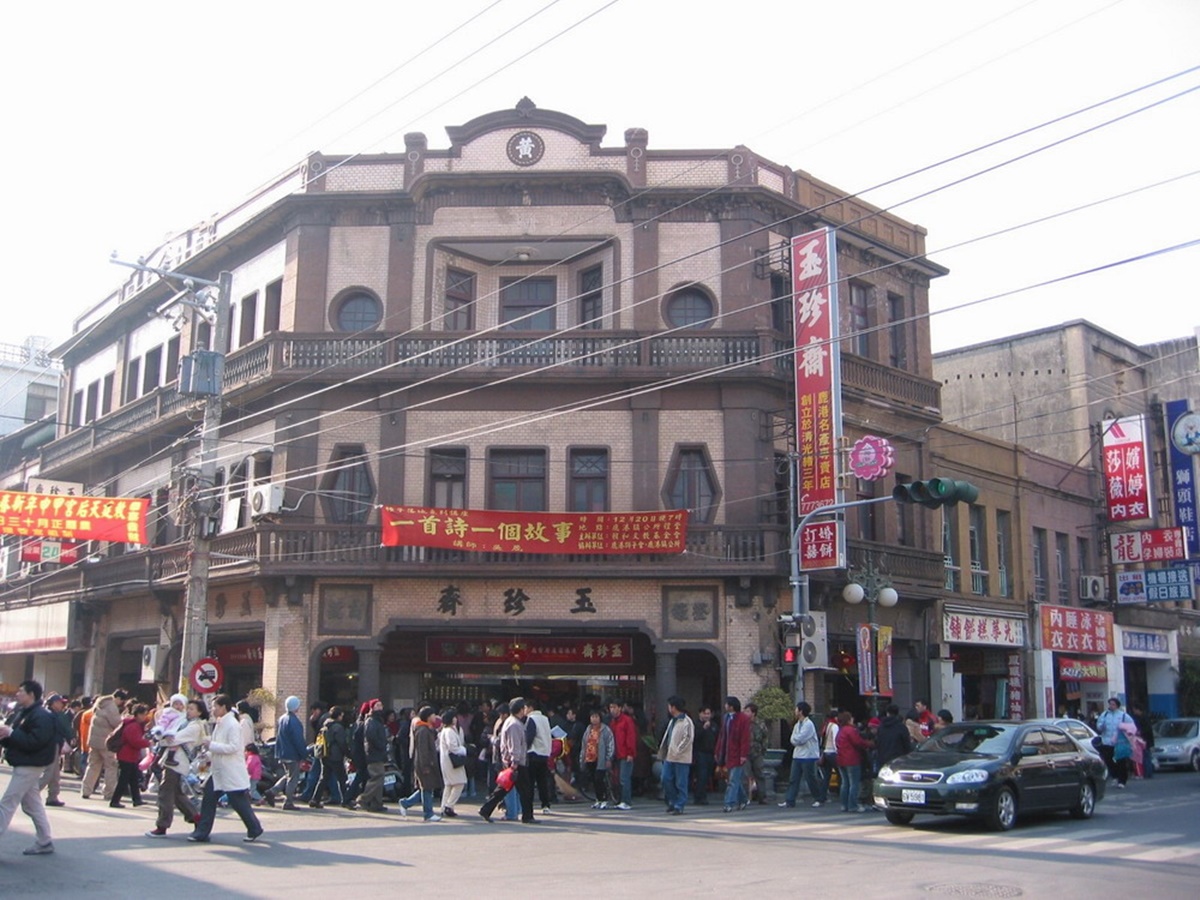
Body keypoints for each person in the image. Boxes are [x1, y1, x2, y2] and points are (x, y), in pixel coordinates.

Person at [190, 694, 263, 843]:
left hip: (230, 771)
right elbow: (220, 745)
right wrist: (209, 754)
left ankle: (254, 828)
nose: (212, 710)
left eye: (215, 707)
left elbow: (234, 747)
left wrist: (211, 746)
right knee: (209, 799)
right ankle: (202, 832)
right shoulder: (221, 723)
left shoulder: (232, 724)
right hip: (219, 770)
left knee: (238, 802)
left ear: (223, 707)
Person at [0, 680, 57, 855]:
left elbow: (35, 742)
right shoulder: (26, 713)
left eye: (21, 691)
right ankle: (45, 840)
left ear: (31, 695)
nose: (17, 694)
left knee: (7, 803)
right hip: (26, 763)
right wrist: (7, 735)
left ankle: (45, 840)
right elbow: (21, 738)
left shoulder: (41, 715)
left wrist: (11, 733)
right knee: (32, 805)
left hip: (30, 764)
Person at [147, 699, 206, 837]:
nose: (188, 711)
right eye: (188, 708)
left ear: (199, 712)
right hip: (171, 760)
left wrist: (162, 739)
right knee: (176, 794)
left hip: (178, 762)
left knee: (165, 792)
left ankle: (162, 825)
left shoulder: (196, 726)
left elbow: (174, 738)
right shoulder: (183, 722)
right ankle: (196, 817)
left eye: (192, 709)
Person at [480, 697, 534, 823]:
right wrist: (515, 762)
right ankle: (527, 816)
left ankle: (486, 809)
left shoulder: (512, 722)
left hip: (512, 762)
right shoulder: (514, 724)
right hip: (516, 763)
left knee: (504, 788)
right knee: (524, 790)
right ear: (520, 710)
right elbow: (514, 745)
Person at [779, 701, 827, 809]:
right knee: (793, 779)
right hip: (797, 756)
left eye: (796, 709)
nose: (795, 711)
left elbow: (800, 739)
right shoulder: (797, 724)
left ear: (801, 711)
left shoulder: (809, 724)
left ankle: (819, 798)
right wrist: (795, 740)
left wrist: (795, 740)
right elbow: (793, 739)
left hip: (808, 756)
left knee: (811, 778)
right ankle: (790, 800)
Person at [81, 689, 126, 801]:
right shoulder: (111, 707)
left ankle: (86, 790)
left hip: (94, 741)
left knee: (93, 766)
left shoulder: (100, 704)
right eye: (121, 701)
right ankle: (109, 793)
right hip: (106, 742)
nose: (121, 703)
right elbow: (117, 724)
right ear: (118, 698)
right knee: (111, 767)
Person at [400, 706, 443, 822]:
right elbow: (422, 750)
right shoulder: (422, 730)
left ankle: (405, 803)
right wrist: (425, 765)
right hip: (424, 764)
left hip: (426, 763)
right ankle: (428, 813)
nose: (435, 717)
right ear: (428, 717)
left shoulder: (426, 728)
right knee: (427, 788)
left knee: (425, 788)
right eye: (433, 715)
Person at [110, 703, 152, 808]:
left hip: (130, 755)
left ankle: (137, 800)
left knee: (133, 779)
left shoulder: (133, 724)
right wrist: (148, 742)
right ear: (137, 714)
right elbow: (135, 741)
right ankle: (115, 800)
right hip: (126, 755)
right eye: (143, 714)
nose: (144, 717)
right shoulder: (133, 726)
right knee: (123, 780)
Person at [658, 696, 694, 815]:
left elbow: (688, 738)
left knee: (681, 782)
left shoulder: (686, 721)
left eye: (669, 706)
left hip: (682, 758)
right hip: (669, 756)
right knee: (665, 778)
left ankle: (680, 804)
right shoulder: (672, 721)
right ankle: (672, 801)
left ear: (673, 707)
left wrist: (678, 750)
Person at [715, 696, 751, 813]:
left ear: (732, 706)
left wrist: (743, 755)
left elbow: (745, 738)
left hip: (737, 754)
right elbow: (722, 736)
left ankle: (728, 803)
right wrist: (718, 751)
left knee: (733, 780)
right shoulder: (726, 718)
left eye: (727, 704)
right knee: (734, 780)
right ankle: (743, 799)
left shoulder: (743, 719)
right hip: (726, 753)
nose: (725, 706)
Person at [272, 695, 306, 810]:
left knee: (288, 775)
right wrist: (303, 754)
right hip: (292, 754)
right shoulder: (295, 722)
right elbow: (298, 740)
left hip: (283, 752)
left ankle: (272, 791)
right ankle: (288, 802)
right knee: (293, 778)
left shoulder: (282, 719)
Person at [39, 693, 73, 807]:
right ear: (53, 703)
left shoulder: (49, 713)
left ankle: (52, 797)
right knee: (49, 773)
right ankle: (30, 793)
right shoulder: (54, 715)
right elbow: (65, 728)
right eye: (59, 702)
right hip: (51, 745)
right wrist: (71, 737)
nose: (62, 705)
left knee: (55, 774)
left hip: (54, 744)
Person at [835, 711, 871, 813]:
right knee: (854, 783)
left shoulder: (840, 731)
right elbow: (858, 742)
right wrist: (869, 744)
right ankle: (853, 805)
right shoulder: (851, 730)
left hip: (841, 759)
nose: (853, 719)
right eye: (851, 718)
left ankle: (844, 805)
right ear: (848, 720)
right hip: (852, 759)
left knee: (844, 783)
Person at [1095, 697, 1135, 788]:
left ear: (1117, 705)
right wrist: (1101, 726)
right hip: (1107, 741)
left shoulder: (1123, 716)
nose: (1111, 706)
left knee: (1121, 761)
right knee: (1108, 760)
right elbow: (1098, 726)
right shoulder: (1104, 715)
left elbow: (1131, 727)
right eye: (1110, 704)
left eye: (1113, 704)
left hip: (1119, 742)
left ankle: (1122, 780)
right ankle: (1115, 775)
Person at [579, 709, 614, 809]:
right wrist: (582, 758)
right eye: (592, 717)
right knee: (594, 780)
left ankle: (604, 799)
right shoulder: (588, 729)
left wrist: (609, 758)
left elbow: (610, 744)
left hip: (601, 758)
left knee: (600, 779)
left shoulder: (605, 730)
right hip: (590, 757)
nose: (594, 719)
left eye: (596, 717)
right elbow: (584, 745)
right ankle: (598, 799)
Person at [525, 698, 555, 814]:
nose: (525, 710)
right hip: (544, 753)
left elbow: (529, 737)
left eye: (526, 707)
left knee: (530, 782)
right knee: (542, 781)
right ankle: (546, 805)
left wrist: (524, 749)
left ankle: (529, 806)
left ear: (531, 708)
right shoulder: (545, 719)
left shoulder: (531, 719)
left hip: (533, 753)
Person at [359, 699, 389, 813]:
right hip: (373, 753)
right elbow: (371, 736)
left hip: (378, 752)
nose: (380, 707)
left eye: (381, 705)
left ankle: (376, 803)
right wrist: (381, 745)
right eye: (377, 705)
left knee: (380, 778)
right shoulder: (371, 720)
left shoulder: (378, 720)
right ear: (372, 708)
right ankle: (364, 798)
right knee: (377, 776)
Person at [438, 707, 468, 817]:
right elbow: (453, 747)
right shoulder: (450, 731)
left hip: (446, 761)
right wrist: (465, 750)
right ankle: (449, 805)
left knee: (449, 785)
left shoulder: (445, 730)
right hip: (452, 762)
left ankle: (443, 806)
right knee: (460, 782)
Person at [608, 699, 638, 810]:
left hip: (625, 754)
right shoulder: (613, 722)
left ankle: (626, 801)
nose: (612, 710)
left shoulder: (627, 721)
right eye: (611, 707)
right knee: (618, 778)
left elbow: (631, 737)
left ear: (620, 708)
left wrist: (630, 753)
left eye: (615, 707)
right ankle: (621, 800)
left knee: (624, 778)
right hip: (617, 754)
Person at [874, 703, 912, 771]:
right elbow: (906, 744)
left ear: (887, 713)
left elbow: (878, 742)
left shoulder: (881, 727)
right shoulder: (901, 727)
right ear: (897, 713)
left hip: (883, 758)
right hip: (898, 759)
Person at [693, 705, 718, 805]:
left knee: (707, 775)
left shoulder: (714, 725)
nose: (707, 716)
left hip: (711, 753)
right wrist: (703, 729)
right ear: (700, 714)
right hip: (700, 753)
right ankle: (699, 797)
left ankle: (703, 795)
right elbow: (694, 738)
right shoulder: (696, 724)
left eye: (709, 714)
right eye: (705, 713)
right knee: (701, 775)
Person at [745, 702, 769, 804]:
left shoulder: (760, 724)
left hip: (757, 752)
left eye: (747, 711)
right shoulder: (743, 723)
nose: (745, 713)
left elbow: (765, 738)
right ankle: (746, 797)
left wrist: (763, 750)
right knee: (746, 775)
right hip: (745, 752)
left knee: (760, 774)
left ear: (753, 713)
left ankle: (762, 796)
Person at [1130, 703, 1155, 779]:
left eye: (1134, 709)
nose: (1134, 711)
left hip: (1144, 740)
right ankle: (1148, 773)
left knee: (1145, 757)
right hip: (1146, 740)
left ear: (1138, 709)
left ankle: (1147, 773)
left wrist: (1140, 732)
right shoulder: (1143, 717)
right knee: (1146, 757)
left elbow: (1147, 730)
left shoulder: (1143, 718)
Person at [820, 710, 840, 798]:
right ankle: (841, 793)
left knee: (827, 776)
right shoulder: (835, 726)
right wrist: (838, 751)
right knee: (841, 774)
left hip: (825, 752)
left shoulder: (826, 725)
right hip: (833, 752)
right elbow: (836, 740)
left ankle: (822, 796)